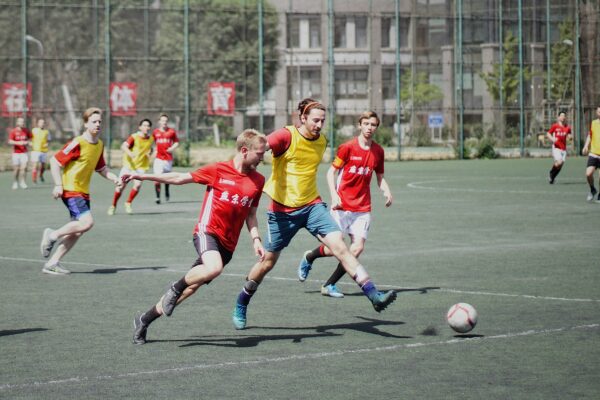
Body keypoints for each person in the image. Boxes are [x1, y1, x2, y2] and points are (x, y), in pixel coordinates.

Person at [231, 99, 397, 330]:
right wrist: (242, 170)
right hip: (282, 211)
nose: (319, 124)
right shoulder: (285, 137)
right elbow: (258, 148)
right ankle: (242, 301)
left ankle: (373, 295)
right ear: (303, 119)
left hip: (312, 206)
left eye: (322, 120)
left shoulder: (322, 142)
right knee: (267, 262)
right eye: (315, 120)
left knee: (340, 245)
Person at [130, 129, 267, 345]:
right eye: (259, 153)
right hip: (207, 232)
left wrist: (256, 239)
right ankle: (175, 287)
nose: (262, 157)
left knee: (191, 287)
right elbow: (178, 178)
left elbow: (251, 214)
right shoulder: (218, 170)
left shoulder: (258, 180)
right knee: (212, 268)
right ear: (244, 150)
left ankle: (144, 319)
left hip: (228, 246)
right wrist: (143, 175)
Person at [297, 111, 393, 298]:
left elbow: (379, 177)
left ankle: (329, 284)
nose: (369, 128)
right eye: (365, 123)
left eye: (373, 125)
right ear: (359, 125)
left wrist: (387, 190)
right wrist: (334, 196)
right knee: (336, 249)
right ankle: (310, 256)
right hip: (342, 206)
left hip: (363, 208)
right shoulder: (347, 147)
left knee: (356, 248)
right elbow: (330, 172)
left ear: (376, 127)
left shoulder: (378, 151)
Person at [39, 107, 121, 275]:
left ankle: (52, 263)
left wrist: (114, 178)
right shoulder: (78, 142)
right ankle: (52, 235)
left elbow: (102, 168)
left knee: (77, 231)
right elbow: (55, 161)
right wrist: (58, 185)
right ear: (85, 124)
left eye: (99, 122)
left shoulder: (98, 145)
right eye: (94, 122)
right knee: (87, 223)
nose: (98, 124)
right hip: (71, 189)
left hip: (83, 192)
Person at [108, 118, 154, 215]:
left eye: (148, 126)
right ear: (140, 127)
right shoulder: (134, 137)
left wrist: (149, 153)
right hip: (129, 166)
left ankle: (128, 203)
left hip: (141, 167)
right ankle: (113, 205)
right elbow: (123, 146)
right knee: (120, 187)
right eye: (144, 125)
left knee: (137, 185)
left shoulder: (150, 138)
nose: (146, 128)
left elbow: (150, 148)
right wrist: (130, 153)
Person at [151, 114, 179, 204]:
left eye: (166, 121)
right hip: (158, 158)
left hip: (168, 159)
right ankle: (157, 197)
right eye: (162, 121)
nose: (164, 122)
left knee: (167, 178)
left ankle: (167, 191)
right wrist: (154, 151)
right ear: (159, 122)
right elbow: (153, 143)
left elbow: (176, 142)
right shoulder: (155, 132)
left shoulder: (171, 132)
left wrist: (172, 148)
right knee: (157, 177)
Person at [546, 111, 572, 184]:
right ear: (558, 117)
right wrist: (553, 139)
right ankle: (551, 172)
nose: (563, 117)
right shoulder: (555, 126)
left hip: (563, 149)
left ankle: (552, 178)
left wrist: (570, 137)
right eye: (561, 116)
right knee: (559, 162)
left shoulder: (567, 127)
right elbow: (548, 133)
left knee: (559, 166)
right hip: (556, 147)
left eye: (564, 116)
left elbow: (569, 135)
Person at [8, 116, 32, 189]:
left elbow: (30, 139)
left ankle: (23, 182)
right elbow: (10, 141)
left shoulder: (26, 131)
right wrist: (19, 143)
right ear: (17, 123)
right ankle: (15, 181)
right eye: (20, 121)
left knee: (24, 168)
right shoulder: (13, 131)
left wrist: (29, 143)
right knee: (16, 169)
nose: (22, 123)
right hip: (16, 153)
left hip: (24, 153)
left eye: (23, 122)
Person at [582, 105, 600, 202]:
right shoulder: (593, 123)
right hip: (593, 153)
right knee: (588, 174)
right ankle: (593, 189)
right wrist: (585, 146)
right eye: (599, 111)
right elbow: (590, 135)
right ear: (597, 113)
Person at [30, 117, 51, 184]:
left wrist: (47, 144)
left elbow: (49, 140)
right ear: (38, 123)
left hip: (43, 151)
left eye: (43, 123)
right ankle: (34, 179)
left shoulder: (46, 132)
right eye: (40, 122)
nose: (42, 124)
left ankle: (41, 175)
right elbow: (29, 138)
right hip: (35, 150)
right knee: (35, 165)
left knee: (43, 166)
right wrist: (29, 142)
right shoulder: (34, 130)